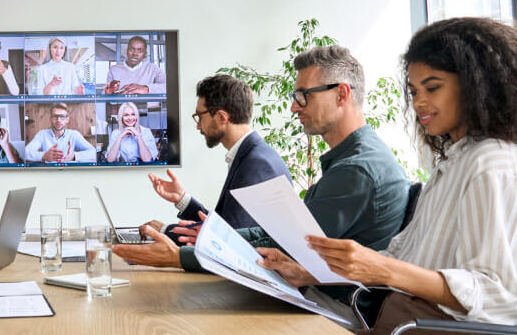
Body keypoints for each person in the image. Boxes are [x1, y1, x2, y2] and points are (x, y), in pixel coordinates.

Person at [259, 17, 517, 331]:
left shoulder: (490, 164)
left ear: (476, 85)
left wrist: (383, 269)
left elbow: (496, 293)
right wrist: (310, 273)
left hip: (416, 326)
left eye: (432, 87)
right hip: (395, 319)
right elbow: (402, 257)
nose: (419, 102)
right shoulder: (453, 159)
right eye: (413, 91)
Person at [115, 46, 410, 306]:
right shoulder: (351, 161)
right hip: (315, 295)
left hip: (330, 307)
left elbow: (288, 248)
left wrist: (182, 255)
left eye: (302, 96)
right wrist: (203, 239)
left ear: (342, 94)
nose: (294, 107)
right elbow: (280, 236)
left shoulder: (356, 169)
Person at [137, 74, 291, 246]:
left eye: (199, 116)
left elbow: (227, 241)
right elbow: (224, 226)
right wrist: (181, 199)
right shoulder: (251, 154)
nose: (197, 126)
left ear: (222, 118)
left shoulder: (257, 164)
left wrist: (164, 231)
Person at [24, 103, 96, 163]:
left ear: (67, 120)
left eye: (62, 117)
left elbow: (93, 152)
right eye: (55, 116)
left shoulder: (74, 134)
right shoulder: (42, 134)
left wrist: (74, 156)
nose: (58, 120)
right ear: (50, 119)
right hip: (49, 173)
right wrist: (43, 156)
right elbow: (25, 152)